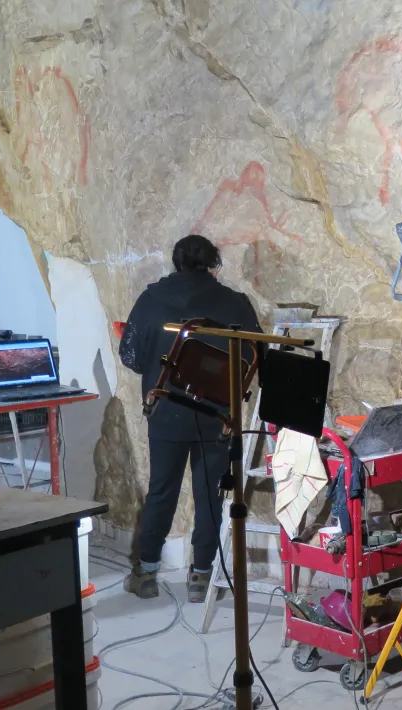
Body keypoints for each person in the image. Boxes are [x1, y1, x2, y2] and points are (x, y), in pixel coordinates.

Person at [119, 235, 262, 603]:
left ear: (176, 261)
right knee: (210, 497)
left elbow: (131, 356)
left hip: (166, 411)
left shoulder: (151, 300)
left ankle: (147, 573)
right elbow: (255, 353)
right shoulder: (235, 303)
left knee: (161, 491)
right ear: (214, 261)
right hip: (216, 414)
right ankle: (201, 577)